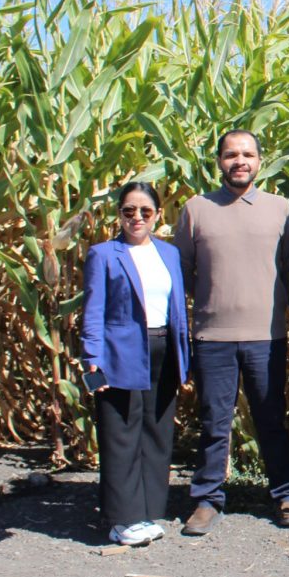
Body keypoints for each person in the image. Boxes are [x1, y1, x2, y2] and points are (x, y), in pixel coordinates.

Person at [175, 129, 289, 535]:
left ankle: (286, 494)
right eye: (231, 154)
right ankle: (207, 499)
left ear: (260, 161)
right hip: (212, 336)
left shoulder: (282, 210)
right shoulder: (196, 209)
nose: (239, 161)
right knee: (214, 420)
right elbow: (182, 274)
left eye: (247, 154)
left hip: (267, 336)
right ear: (219, 162)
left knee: (271, 419)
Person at [81, 183, 190, 546]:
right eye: (129, 211)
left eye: (145, 211)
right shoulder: (104, 254)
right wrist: (92, 359)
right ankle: (122, 519)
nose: (137, 218)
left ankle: (147, 511)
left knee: (156, 431)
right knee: (121, 433)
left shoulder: (168, 253)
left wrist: (184, 356)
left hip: (163, 350)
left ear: (158, 215)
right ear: (119, 214)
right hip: (120, 354)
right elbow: (93, 312)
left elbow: (178, 309)